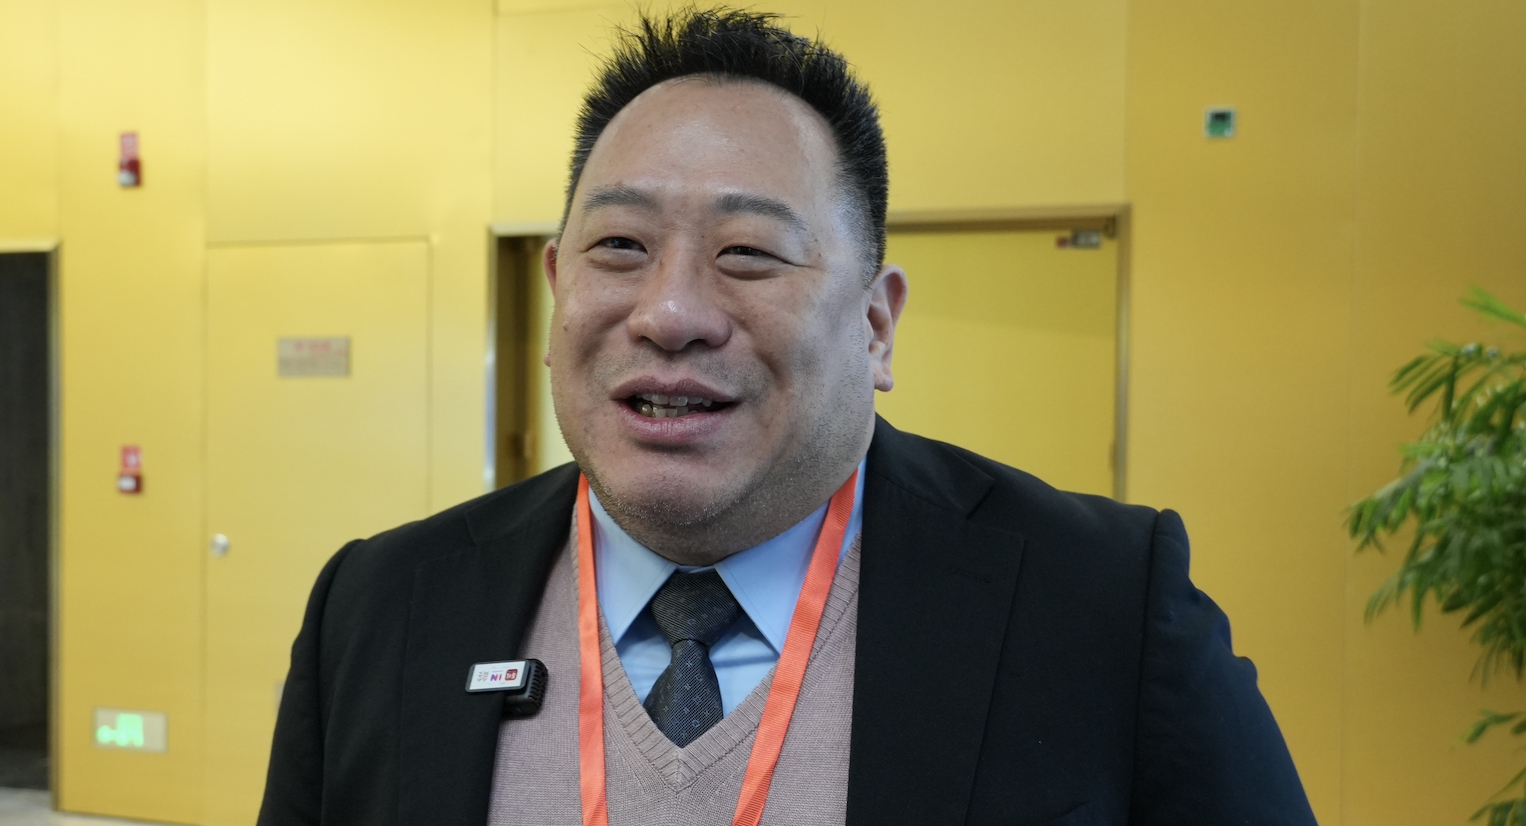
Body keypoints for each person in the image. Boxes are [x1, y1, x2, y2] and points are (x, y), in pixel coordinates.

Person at [257, 8, 1317, 826]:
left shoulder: (1099, 605)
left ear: (874, 322)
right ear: (553, 291)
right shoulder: (381, 605)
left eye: (748, 253)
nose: (668, 312)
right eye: (619, 246)